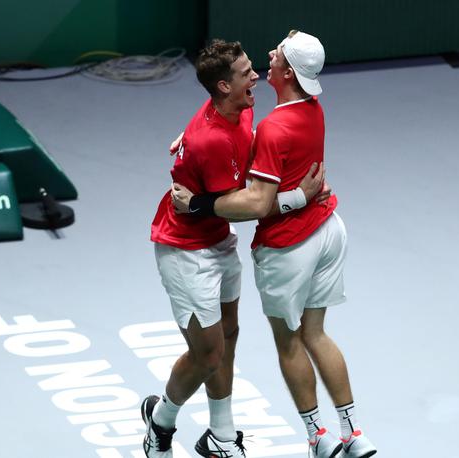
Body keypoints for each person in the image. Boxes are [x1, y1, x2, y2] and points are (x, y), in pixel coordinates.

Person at [172, 31, 378, 458]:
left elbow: (259, 203)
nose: (267, 57)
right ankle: (354, 434)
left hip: (289, 246)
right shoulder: (313, 109)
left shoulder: (271, 127)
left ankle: (318, 438)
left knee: (289, 342)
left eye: (276, 55)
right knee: (317, 333)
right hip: (329, 230)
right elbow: (225, 120)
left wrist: (199, 203)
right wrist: (193, 144)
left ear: (286, 71)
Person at [143, 39, 325, 458]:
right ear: (223, 86)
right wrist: (300, 197)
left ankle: (221, 437)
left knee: (228, 334)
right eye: (246, 74)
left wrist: (188, 138)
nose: (256, 76)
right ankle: (161, 421)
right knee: (207, 354)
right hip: (185, 251)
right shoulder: (212, 139)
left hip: (217, 240)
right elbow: (250, 205)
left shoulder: (239, 110)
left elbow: (244, 152)